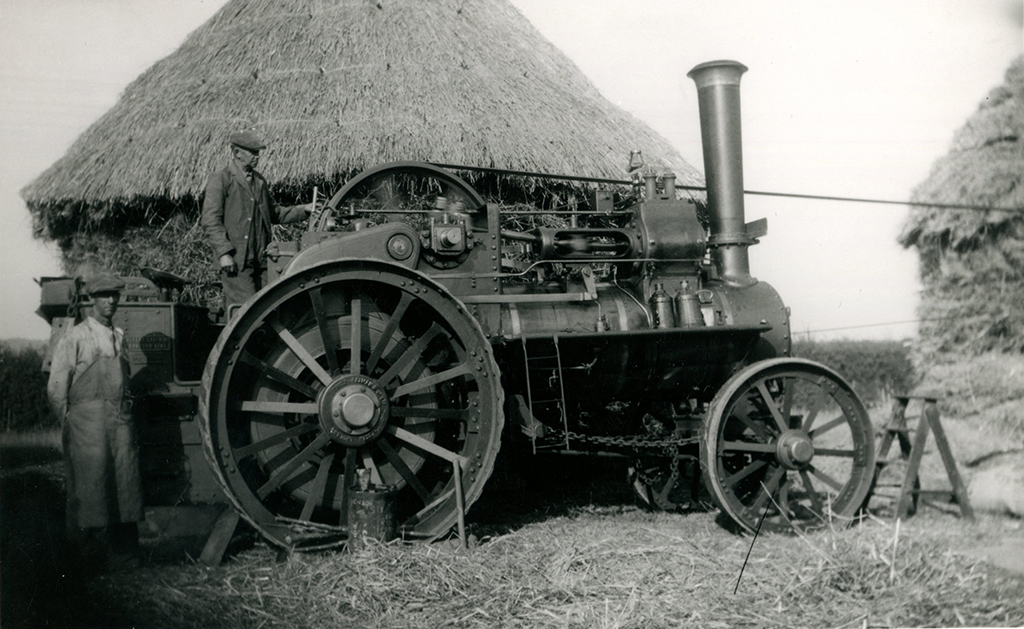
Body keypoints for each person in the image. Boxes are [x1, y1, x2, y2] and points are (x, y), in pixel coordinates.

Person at [47, 273, 143, 571]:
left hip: (119, 423)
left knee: (125, 488)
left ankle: (125, 558)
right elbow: (56, 389)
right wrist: (72, 423)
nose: (111, 300)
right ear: (91, 300)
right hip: (87, 426)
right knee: (88, 488)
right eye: (105, 296)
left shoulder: (119, 336)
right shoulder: (75, 337)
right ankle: (79, 559)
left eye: (115, 295)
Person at [201, 130, 313, 310]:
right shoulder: (221, 179)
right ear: (237, 153)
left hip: (262, 261)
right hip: (236, 263)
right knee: (245, 312)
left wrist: (304, 210)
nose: (257, 157)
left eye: (258, 153)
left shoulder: (259, 181)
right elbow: (210, 220)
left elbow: (275, 213)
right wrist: (223, 253)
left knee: (270, 308)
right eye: (253, 152)